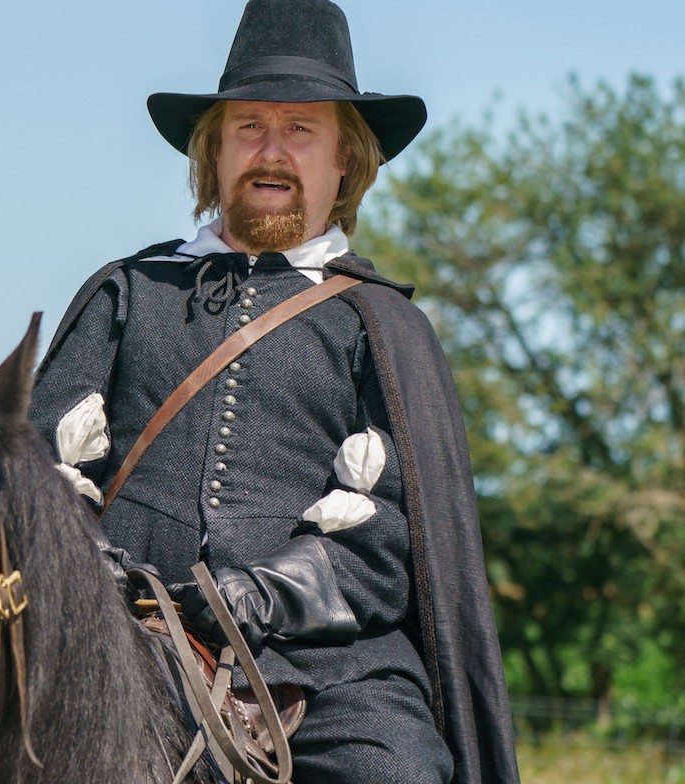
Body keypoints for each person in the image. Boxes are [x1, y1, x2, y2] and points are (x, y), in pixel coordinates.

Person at [29, 2, 519, 782]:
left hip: (330, 671)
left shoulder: (380, 323)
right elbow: (38, 471)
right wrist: (102, 577)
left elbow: (392, 533)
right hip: (120, 642)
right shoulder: (126, 292)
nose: (273, 149)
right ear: (213, 152)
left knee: (398, 774)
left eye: (301, 129)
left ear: (345, 161)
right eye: (249, 126)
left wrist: (258, 595)